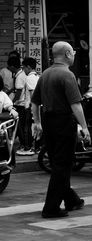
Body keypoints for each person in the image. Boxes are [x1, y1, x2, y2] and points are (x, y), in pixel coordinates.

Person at [31, 41, 90, 219]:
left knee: (58, 162)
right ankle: (51, 208)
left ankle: (72, 200)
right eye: (72, 52)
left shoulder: (45, 74)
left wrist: (37, 122)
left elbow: (34, 102)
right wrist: (85, 127)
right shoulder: (67, 75)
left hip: (48, 122)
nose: (74, 55)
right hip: (63, 122)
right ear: (66, 54)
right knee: (62, 166)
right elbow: (75, 104)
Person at [16, 57, 39, 156]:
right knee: (31, 127)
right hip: (34, 106)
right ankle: (33, 146)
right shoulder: (37, 77)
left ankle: (28, 147)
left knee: (27, 128)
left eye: (24, 68)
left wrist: (30, 106)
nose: (23, 70)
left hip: (29, 107)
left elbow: (33, 94)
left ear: (28, 67)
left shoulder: (29, 78)